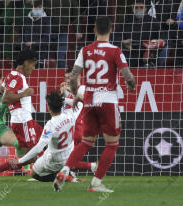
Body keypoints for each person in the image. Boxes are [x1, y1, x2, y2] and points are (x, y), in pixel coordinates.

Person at [53, 16, 135, 193]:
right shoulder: (115, 50)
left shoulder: (85, 50)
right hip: (107, 101)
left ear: (94, 30)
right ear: (111, 30)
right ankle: (96, 183)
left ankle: (65, 170)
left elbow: (74, 76)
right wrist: (131, 85)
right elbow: (128, 76)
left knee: (87, 142)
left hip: (89, 102)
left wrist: (76, 95)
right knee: (112, 144)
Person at [0, 91, 96, 182]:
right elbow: (81, 103)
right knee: (37, 158)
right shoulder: (71, 115)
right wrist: (63, 100)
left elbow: (38, 148)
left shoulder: (50, 125)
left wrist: (20, 161)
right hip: (67, 154)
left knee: (33, 171)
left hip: (54, 158)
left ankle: (65, 178)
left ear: (48, 107)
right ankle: (73, 174)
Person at [0, 49, 43, 178]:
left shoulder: (12, 75)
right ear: (26, 63)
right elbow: (5, 98)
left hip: (24, 121)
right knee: (31, 157)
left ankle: (56, 173)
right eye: (33, 64)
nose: (33, 68)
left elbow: (0, 93)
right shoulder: (18, 77)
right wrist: (24, 94)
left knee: (46, 140)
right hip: (23, 121)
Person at [21, 1, 50, 68]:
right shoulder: (25, 19)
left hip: (41, 52)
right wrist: (23, 43)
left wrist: (34, 43)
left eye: (39, 7)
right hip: (27, 51)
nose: (37, 9)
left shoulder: (47, 20)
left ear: (43, 8)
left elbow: (47, 38)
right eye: (35, 7)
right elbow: (21, 34)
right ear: (32, 8)